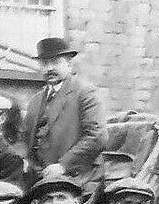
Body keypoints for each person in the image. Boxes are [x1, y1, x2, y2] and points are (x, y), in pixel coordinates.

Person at [20, 37, 106, 180]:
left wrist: (63, 166)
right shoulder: (35, 101)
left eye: (55, 62)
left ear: (69, 65)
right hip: (39, 177)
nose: (49, 68)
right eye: (44, 63)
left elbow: (96, 137)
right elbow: (24, 138)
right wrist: (24, 160)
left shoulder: (85, 93)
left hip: (78, 176)